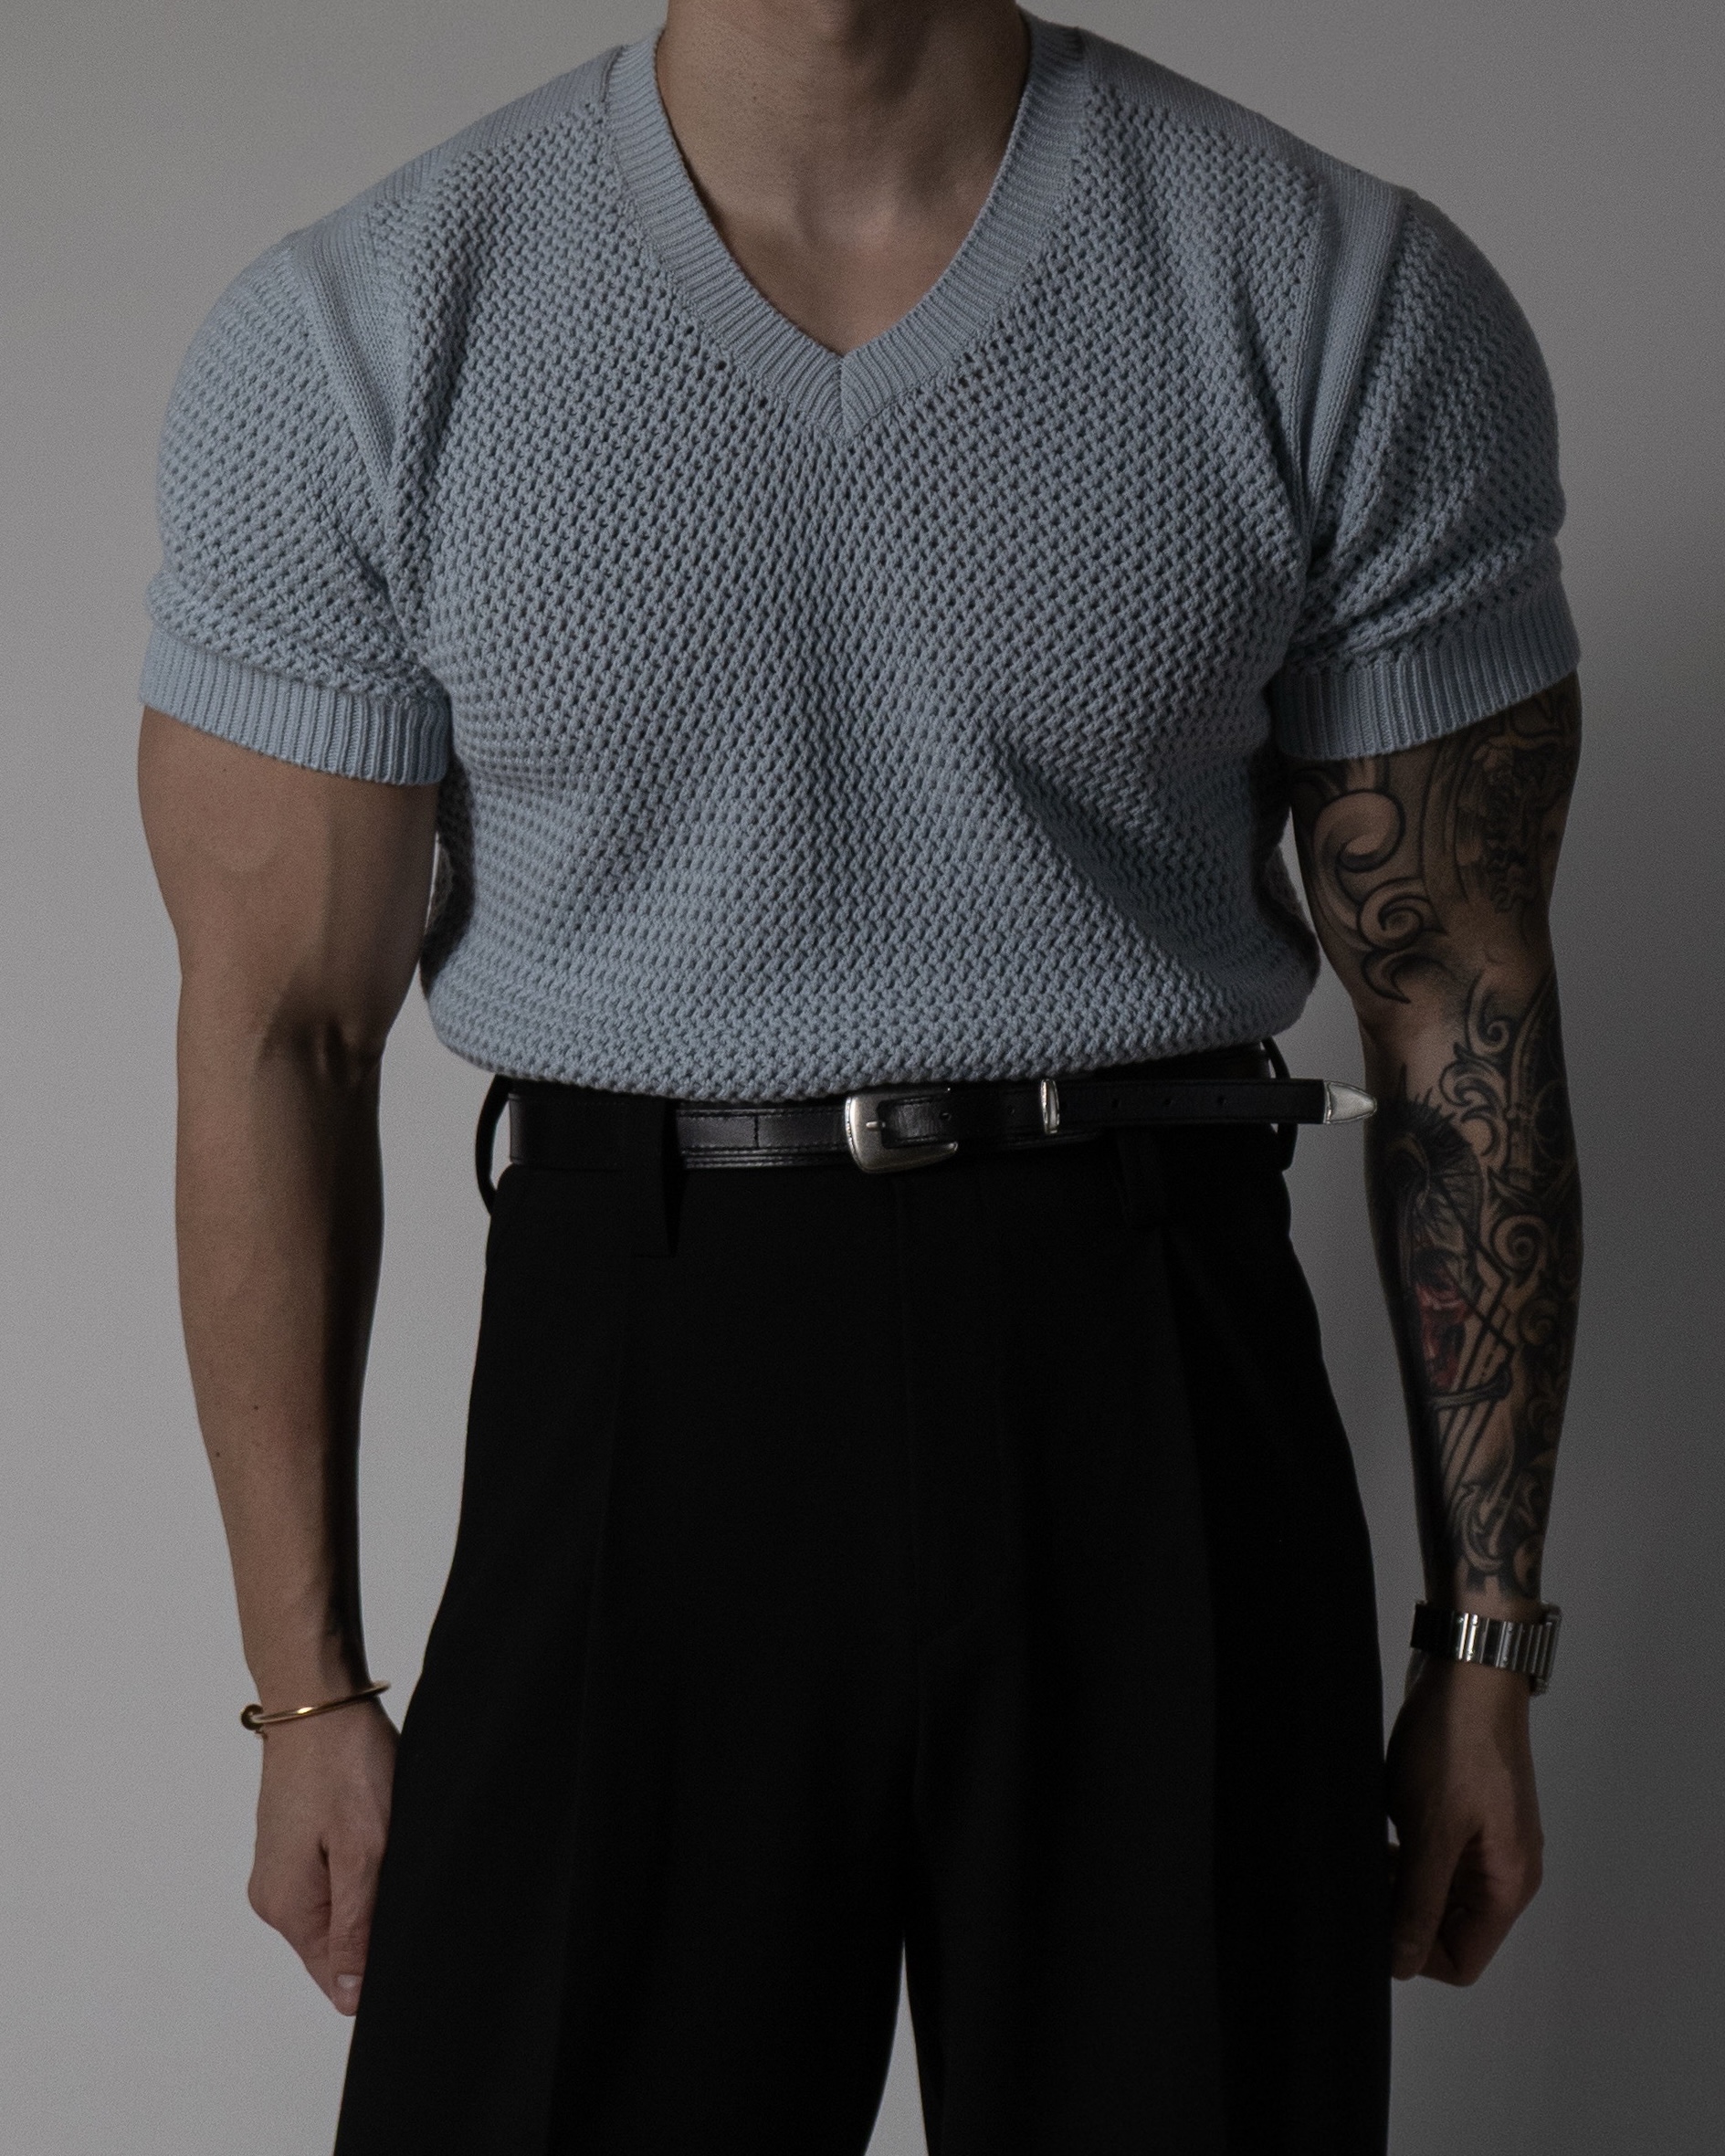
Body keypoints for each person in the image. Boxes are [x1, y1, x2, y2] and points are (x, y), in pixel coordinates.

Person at [136, 3, 1582, 2150]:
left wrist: (1481, 1645)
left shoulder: (1335, 288)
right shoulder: (365, 331)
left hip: (1149, 1355)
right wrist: (306, 1689)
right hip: (641, 1357)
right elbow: (278, 1030)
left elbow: (1459, 993)